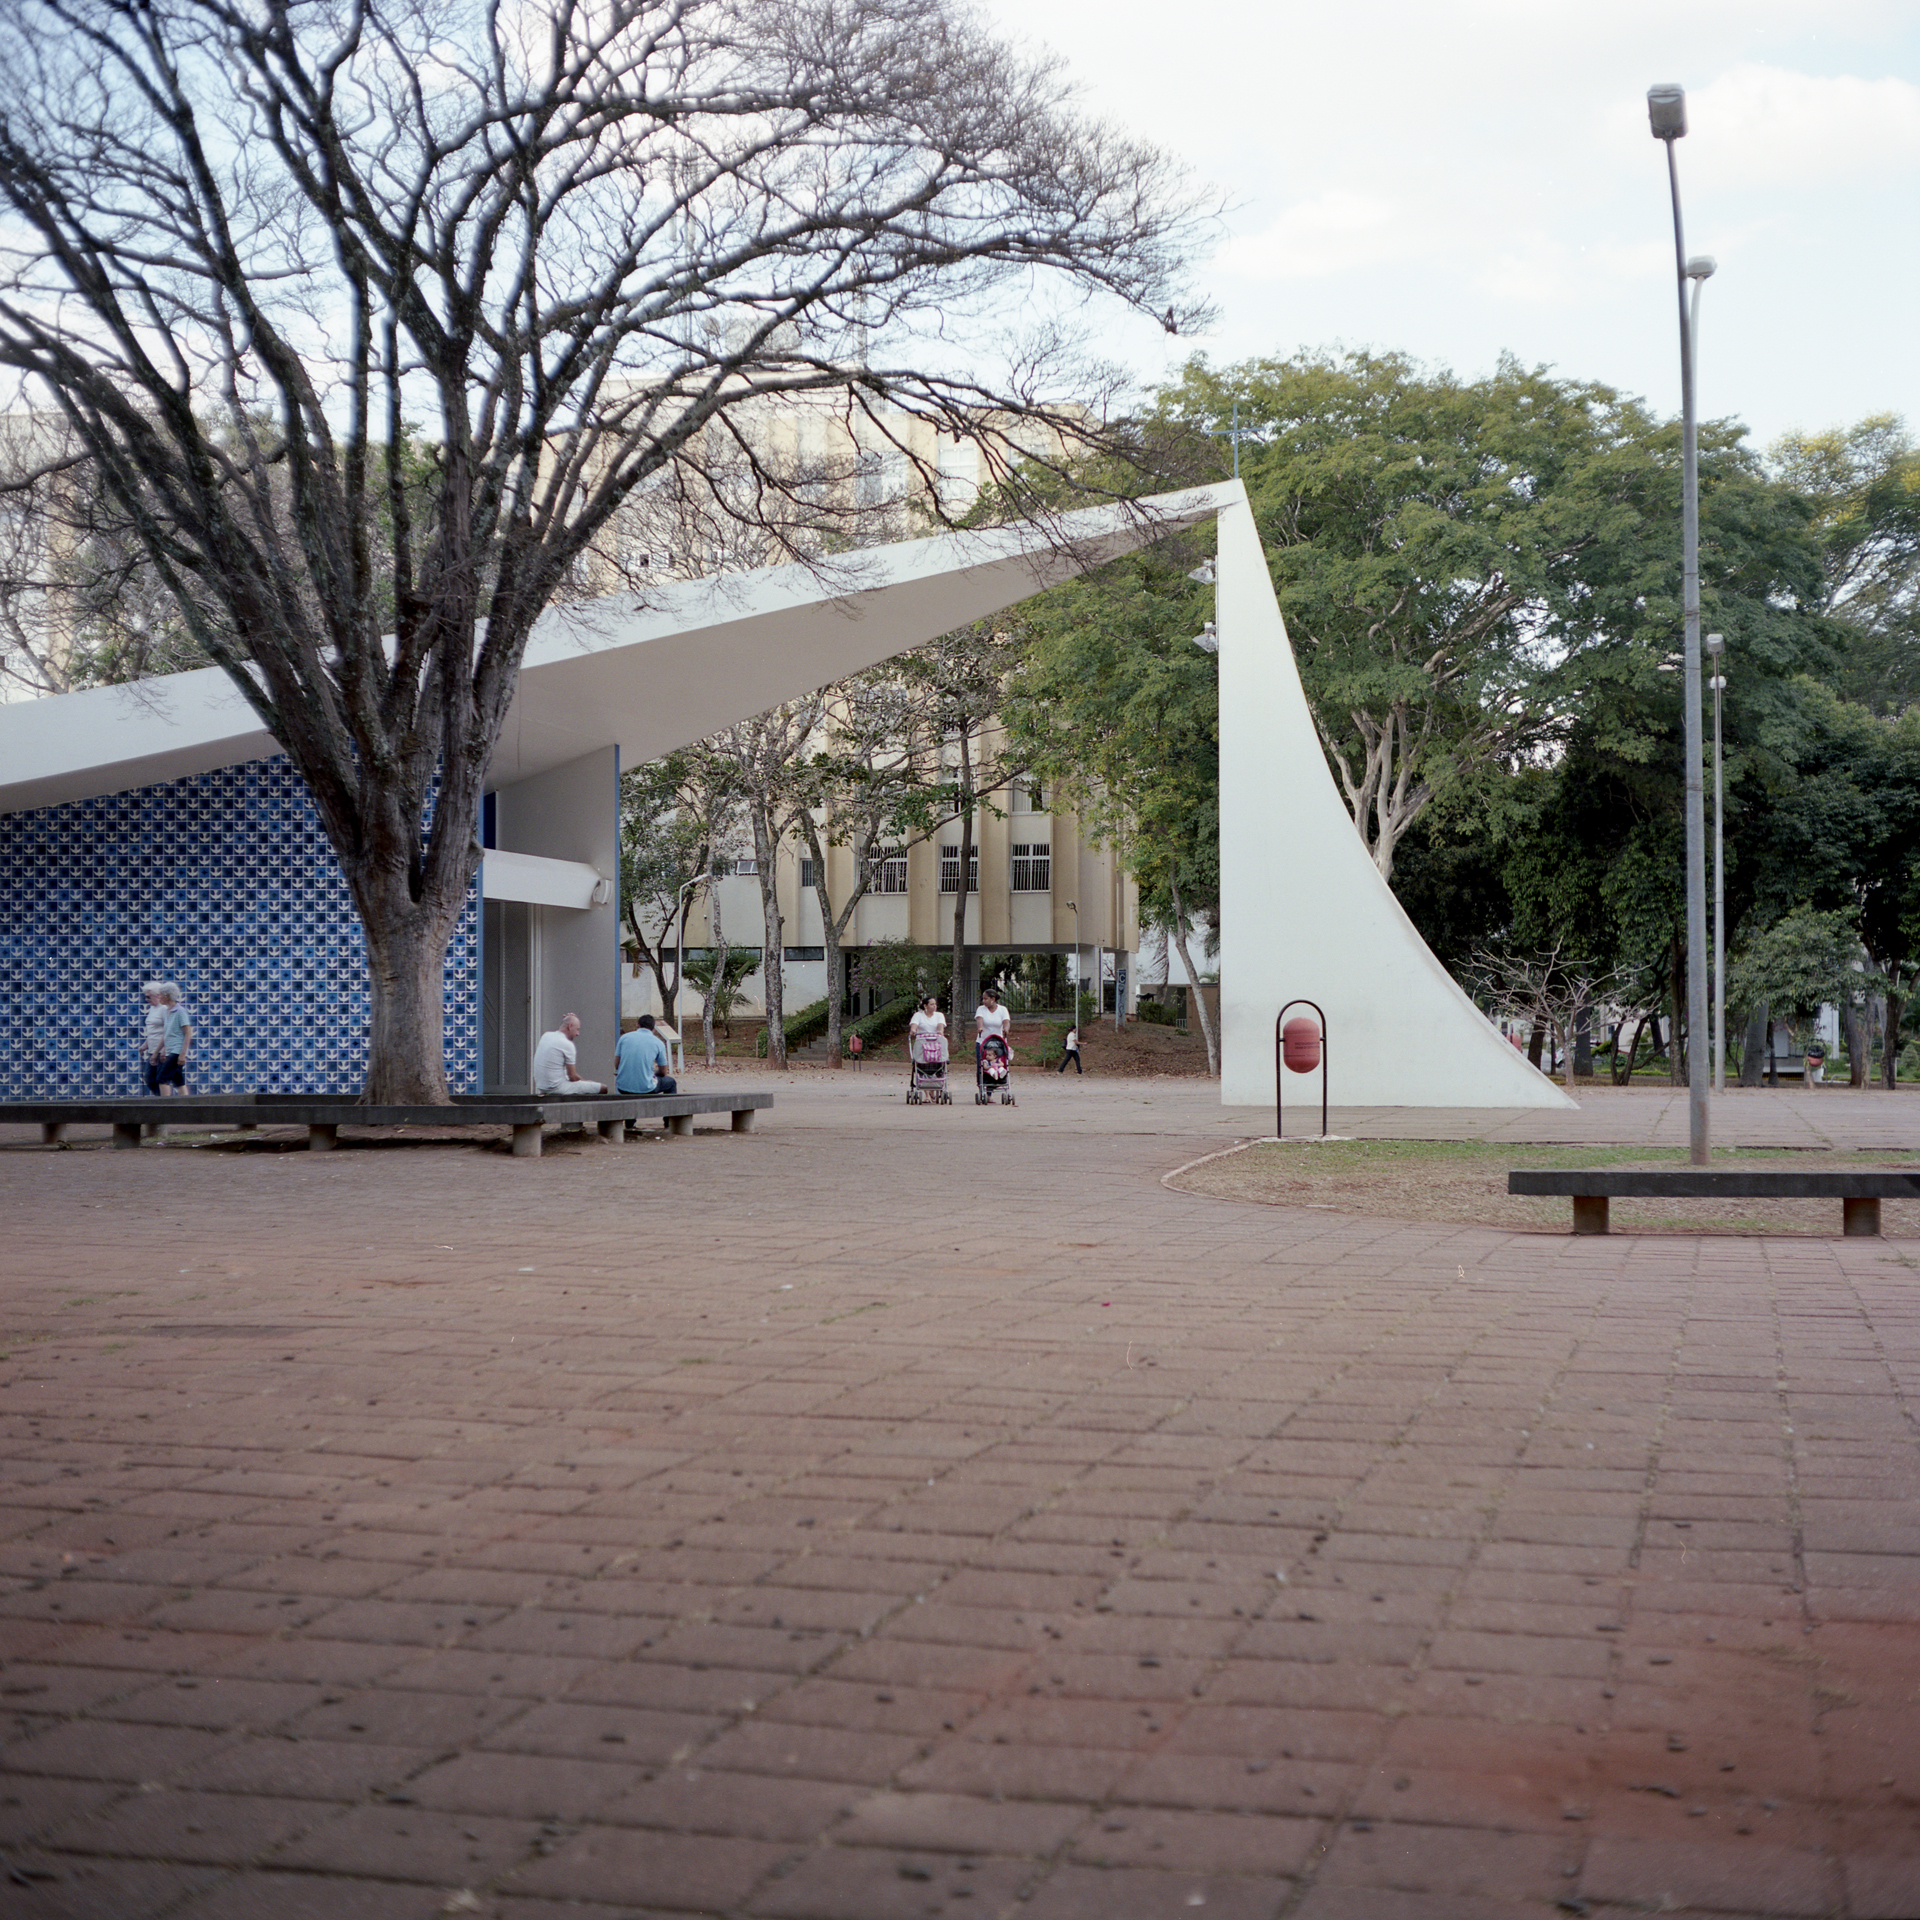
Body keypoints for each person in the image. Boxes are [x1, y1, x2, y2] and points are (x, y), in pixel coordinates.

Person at [532, 1013, 604, 1094]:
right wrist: (586, 1083)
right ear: (570, 1026)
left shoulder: (546, 1035)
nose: (578, 1034)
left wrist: (571, 1020)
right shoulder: (567, 1044)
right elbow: (572, 1077)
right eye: (577, 1029)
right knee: (603, 1088)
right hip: (557, 1088)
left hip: (542, 1087)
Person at [143, 981, 192, 1095]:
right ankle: (187, 1103)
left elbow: (188, 1033)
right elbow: (165, 1034)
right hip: (170, 1050)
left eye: (161, 994)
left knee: (162, 1079)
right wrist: (156, 1053)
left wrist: (182, 1054)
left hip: (176, 1051)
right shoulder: (166, 1012)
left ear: (167, 996)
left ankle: (165, 1104)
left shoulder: (180, 1011)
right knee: (178, 1080)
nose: (159, 997)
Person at [615, 1014, 677, 1097]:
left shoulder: (624, 1038)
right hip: (646, 1088)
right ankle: (668, 1105)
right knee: (671, 1083)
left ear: (637, 1024)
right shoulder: (658, 1043)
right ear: (653, 1028)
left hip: (622, 1087)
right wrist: (653, 1073)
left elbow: (616, 1065)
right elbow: (663, 1072)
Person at [907, 994, 947, 1067]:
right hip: (922, 1040)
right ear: (925, 1006)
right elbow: (914, 1025)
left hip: (936, 1039)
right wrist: (913, 1030)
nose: (934, 1006)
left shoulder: (939, 1015)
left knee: (943, 1040)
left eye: (935, 1004)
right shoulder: (918, 1015)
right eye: (932, 1004)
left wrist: (940, 1031)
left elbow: (940, 1025)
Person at [973, 986, 1012, 1060]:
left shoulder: (1003, 1009)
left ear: (993, 999)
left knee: (999, 1063)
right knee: (982, 1064)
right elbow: (979, 1020)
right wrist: (980, 1028)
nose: (983, 1001)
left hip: (998, 1043)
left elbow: (1006, 1022)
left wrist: (1006, 1029)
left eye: (986, 999)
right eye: (983, 999)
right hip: (983, 1042)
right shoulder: (981, 1009)